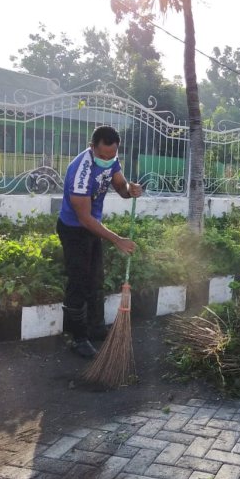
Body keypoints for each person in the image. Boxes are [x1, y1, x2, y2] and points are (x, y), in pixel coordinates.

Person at [57, 125, 143, 358]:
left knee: (96, 279)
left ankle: (95, 328)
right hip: (74, 230)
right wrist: (117, 240)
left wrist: (130, 189)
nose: (107, 160)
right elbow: (84, 218)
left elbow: (120, 186)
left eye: (111, 155)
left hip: (92, 228)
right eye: (103, 156)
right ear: (92, 147)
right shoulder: (81, 172)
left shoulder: (112, 160)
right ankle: (77, 338)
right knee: (79, 281)